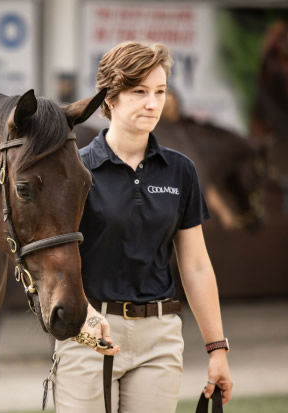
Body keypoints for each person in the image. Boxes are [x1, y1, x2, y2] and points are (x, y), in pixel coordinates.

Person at [52, 41, 233, 412]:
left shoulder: (181, 171)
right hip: (89, 333)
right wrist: (81, 313)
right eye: (139, 92)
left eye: (160, 92)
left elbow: (196, 265)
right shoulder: (76, 169)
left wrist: (217, 349)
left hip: (160, 338)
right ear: (111, 97)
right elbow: (56, 263)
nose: (153, 103)